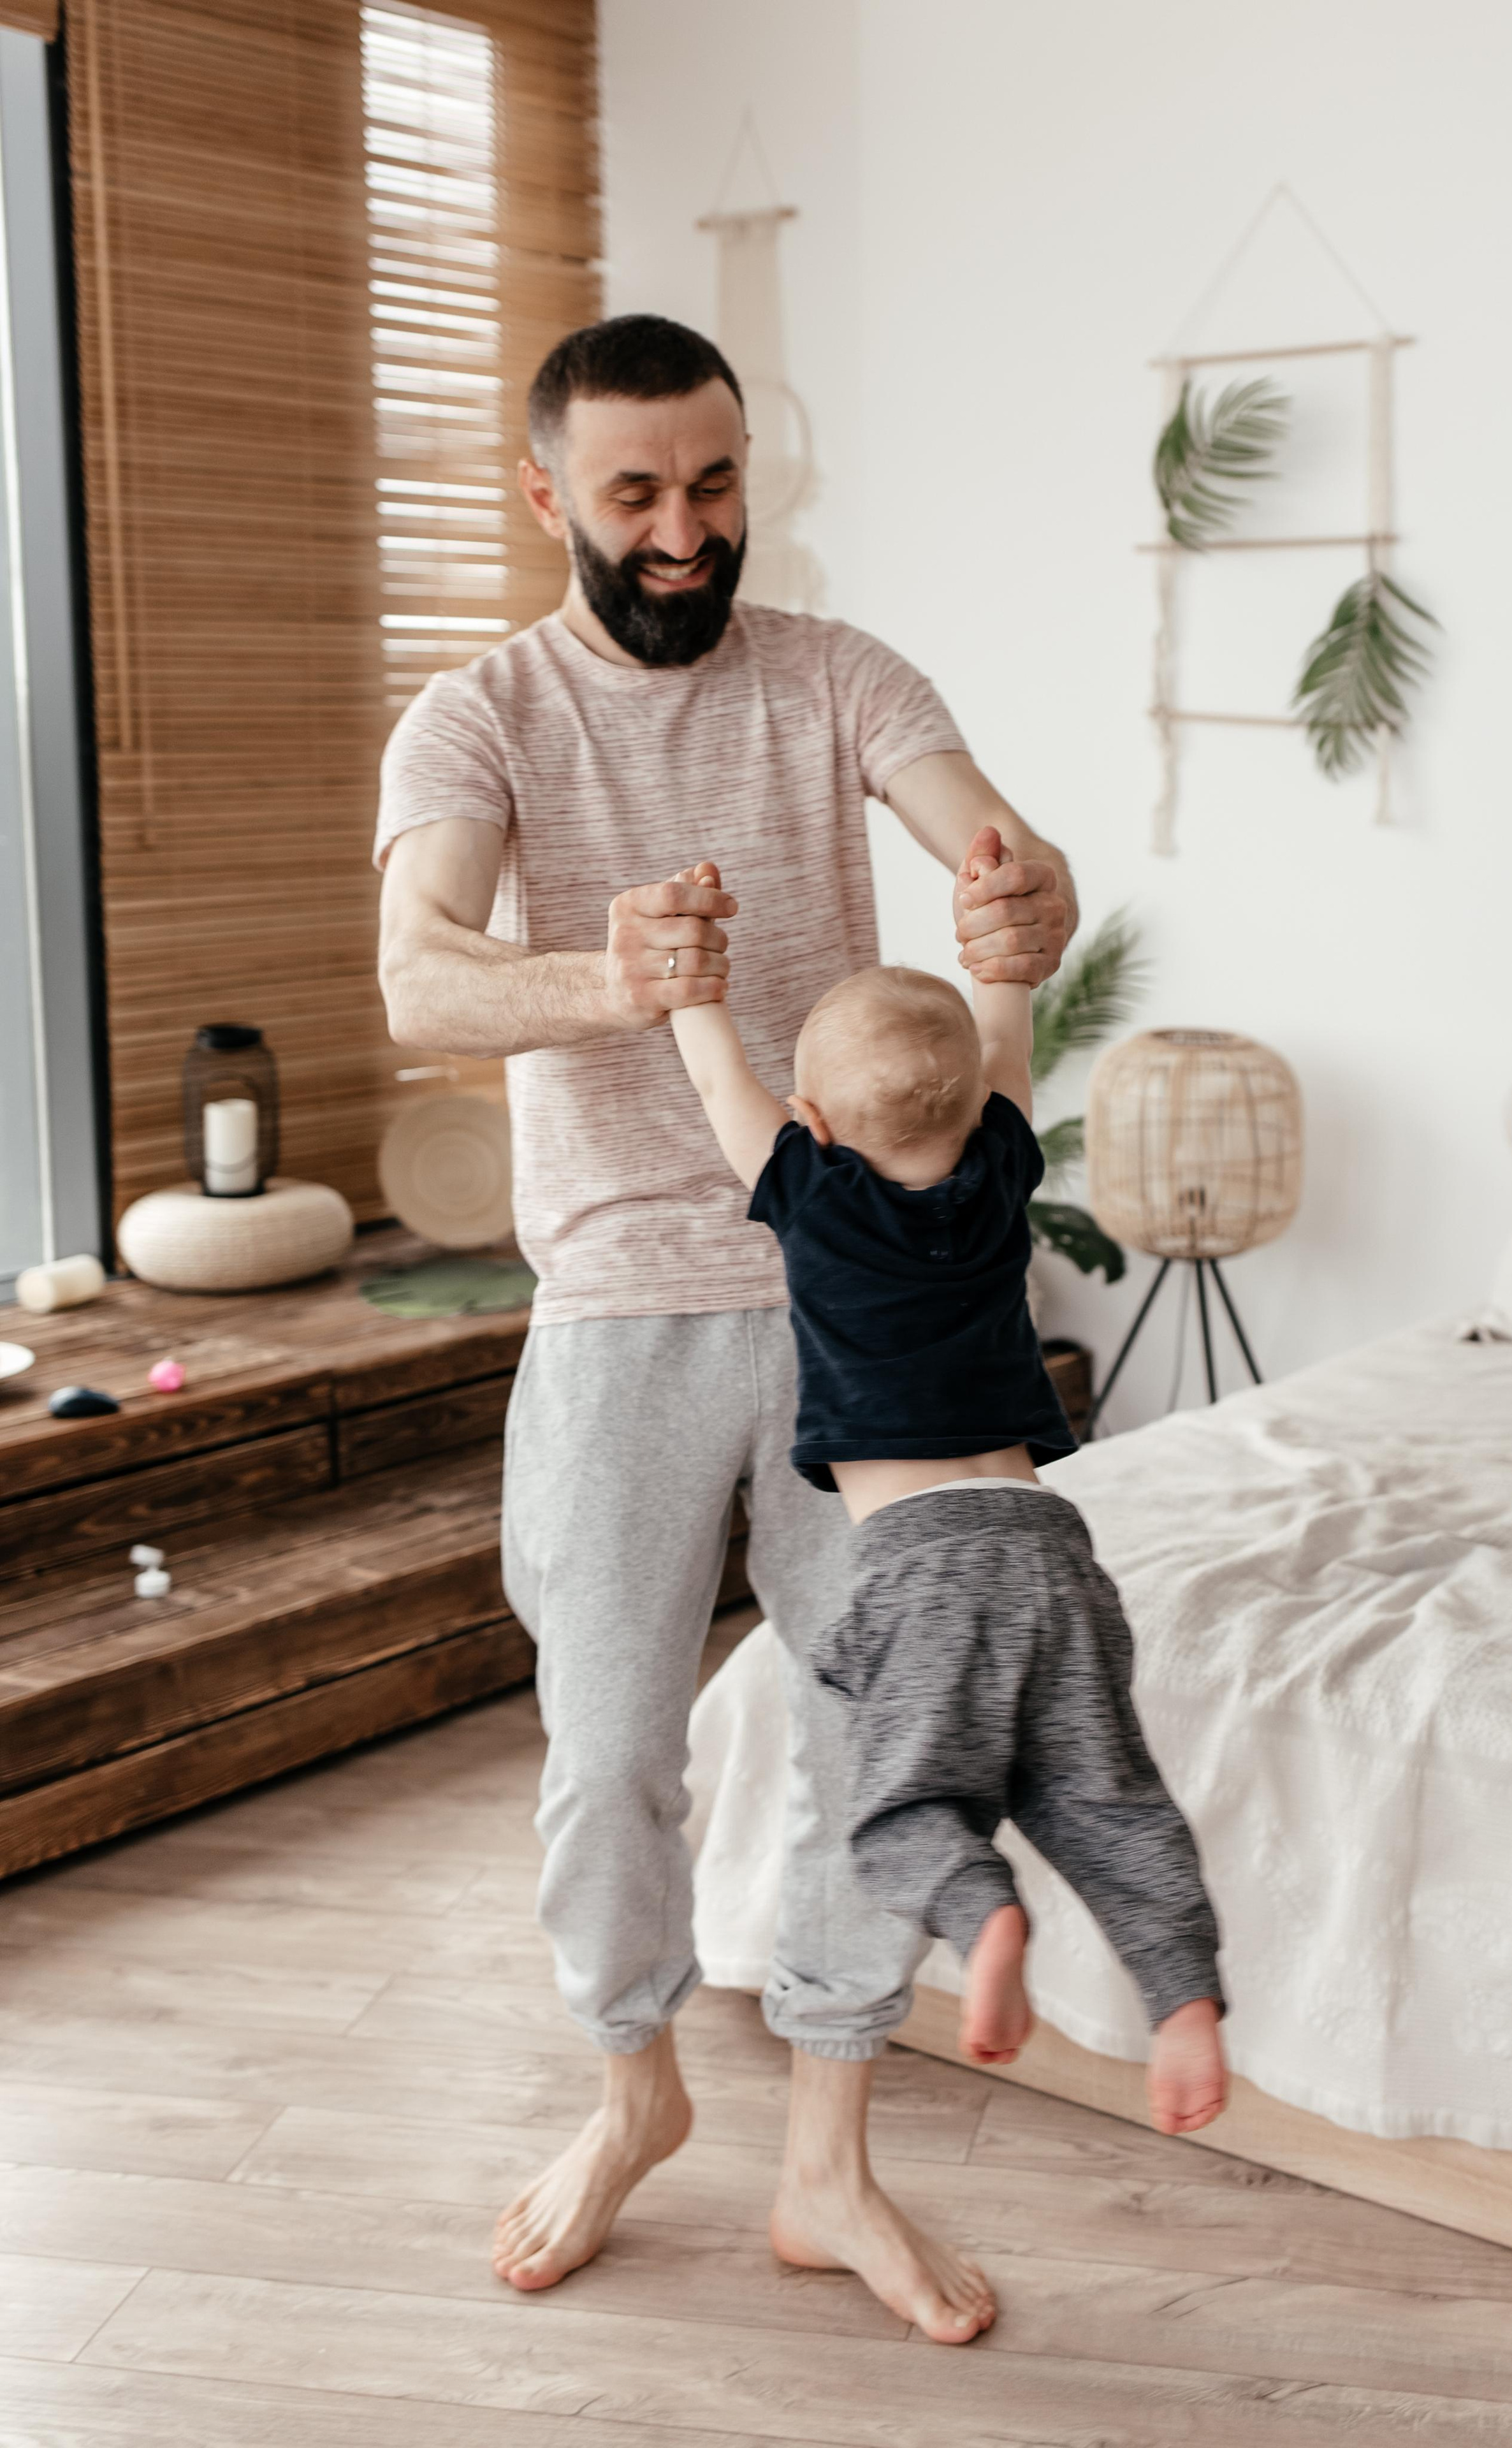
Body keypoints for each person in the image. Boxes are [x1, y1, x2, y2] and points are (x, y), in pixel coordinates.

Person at [374, 313, 1077, 2343]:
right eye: (633, 493)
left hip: (856, 1305)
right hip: (616, 1306)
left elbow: (1003, 857)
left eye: (713, 481)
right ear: (546, 499)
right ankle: (634, 2090)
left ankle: (830, 2170)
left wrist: (1024, 902)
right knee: (610, 1760)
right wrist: (611, 980)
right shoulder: (481, 718)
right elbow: (420, 978)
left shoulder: (843, 674)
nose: (684, 530)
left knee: (881, 1732)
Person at [669, 847, 1229, 2125]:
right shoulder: (998, 1173)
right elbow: (1001, 1032)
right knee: (1103, 1795)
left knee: (903, 1809)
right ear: (979, 1109)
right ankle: (1181, 1995)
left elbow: (714, 1073)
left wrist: (695, 969)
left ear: (808, 1125)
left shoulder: (807, 1194)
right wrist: (994, 957)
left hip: (920, 1563)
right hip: (1048, 1547)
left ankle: (981, 1927)